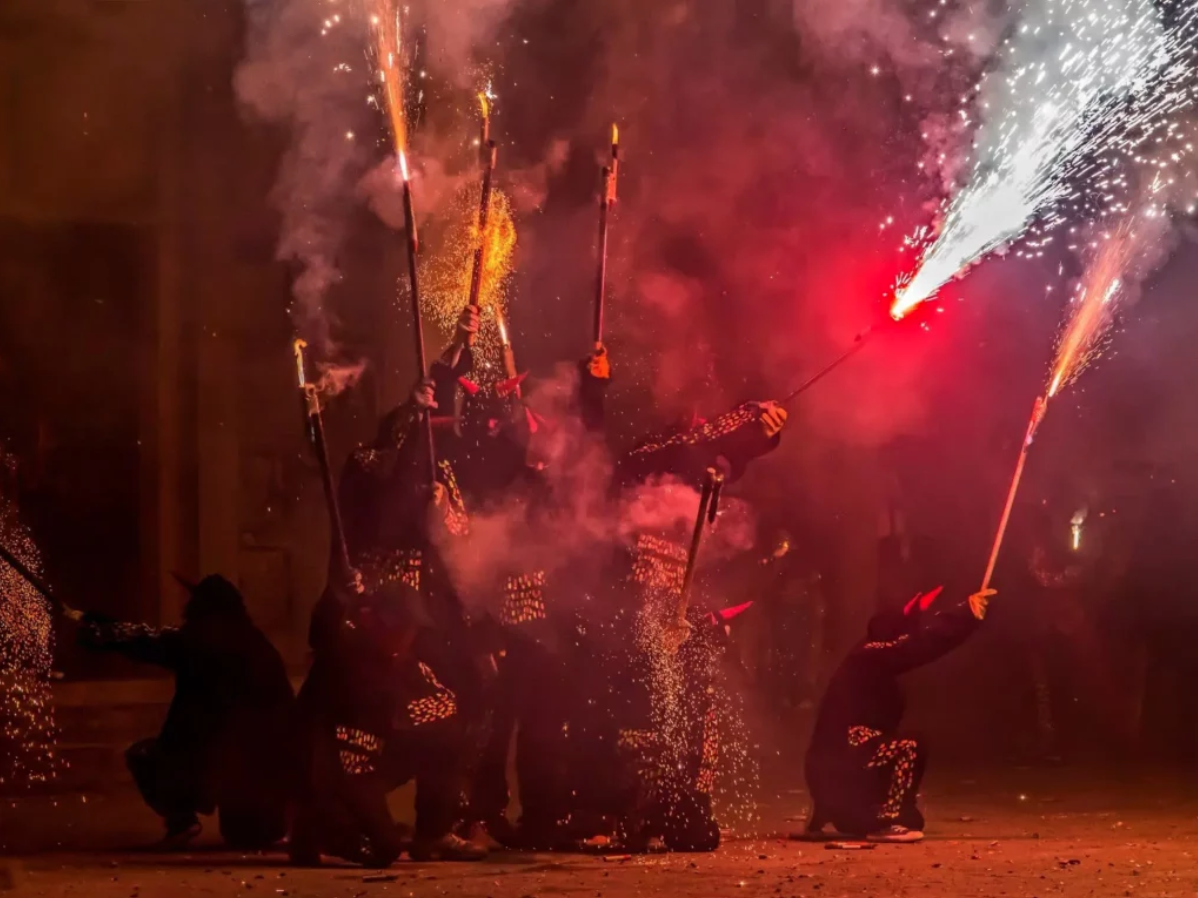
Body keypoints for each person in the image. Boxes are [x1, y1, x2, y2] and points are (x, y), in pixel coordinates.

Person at [71, 575, 295, 850]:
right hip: (256, 760)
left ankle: (182, 819)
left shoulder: (205, 639)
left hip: (230, 758)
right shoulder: (254, 642)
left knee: (146, 757)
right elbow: (154, 638)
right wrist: (107, 626)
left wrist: (107, 633)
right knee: (249, 834)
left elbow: (151, 643)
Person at [803, 586, 993, 843]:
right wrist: (964, 615)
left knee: (892, 753)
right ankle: (887, 821)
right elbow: (921, 646)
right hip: (839, 773)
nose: (910, 636)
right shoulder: (870, 654)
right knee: (911, 746)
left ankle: (842, 811)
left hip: (837, 781)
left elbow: (916, 644)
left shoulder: (865, 660)